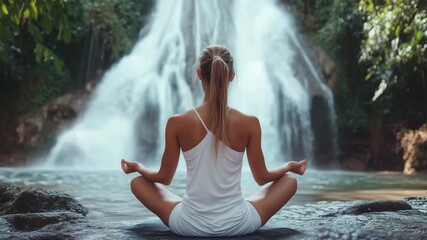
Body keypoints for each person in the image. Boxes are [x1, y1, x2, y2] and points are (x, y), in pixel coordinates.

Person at [121, 45, 307, 237]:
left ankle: (191, 208)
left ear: (199, 73)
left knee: (137, 183)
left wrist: (139, 167)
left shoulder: (177, 122)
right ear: (232, 75)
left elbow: (163, 178)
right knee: (290, 181)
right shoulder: (249, 122)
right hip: (238, 224)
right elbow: (262, 178)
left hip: (188, 226)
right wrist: (288, 166)